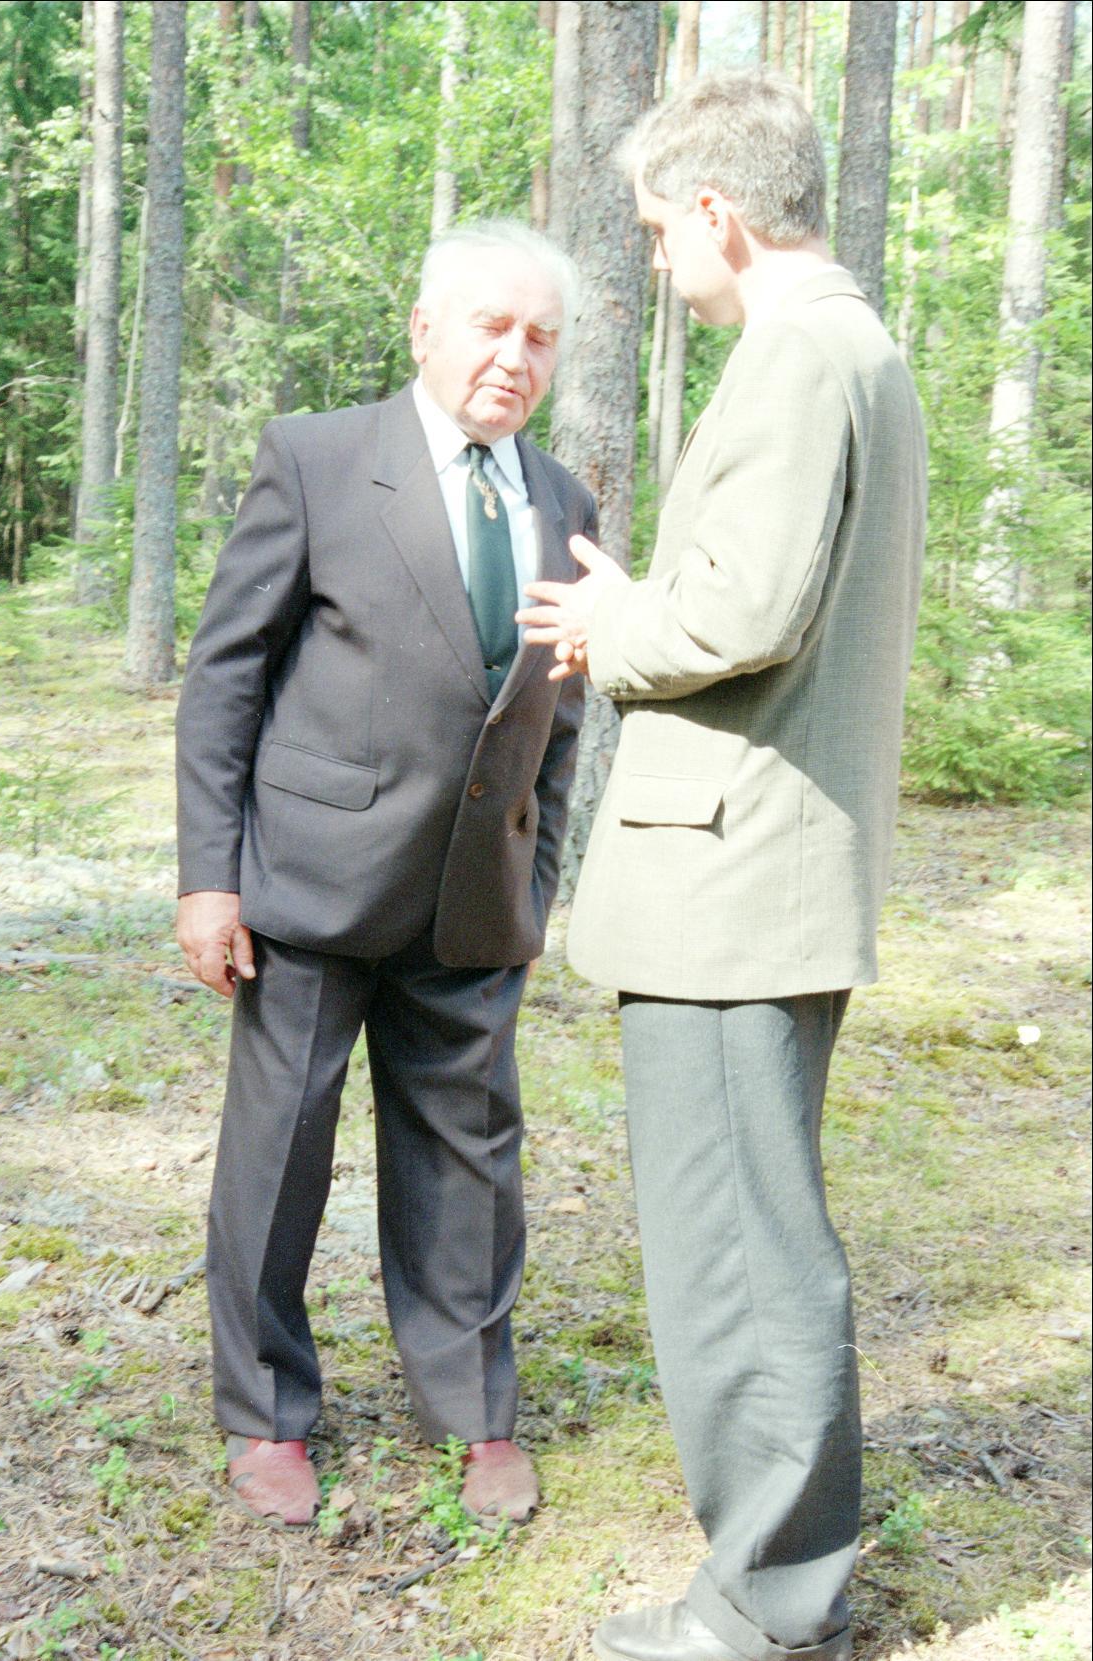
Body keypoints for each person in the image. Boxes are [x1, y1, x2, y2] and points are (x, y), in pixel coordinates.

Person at [518, 72, 926, 1661]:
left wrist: (608, 619)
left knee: (740, 1259)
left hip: (733, 882)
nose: (657, 260)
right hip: (759, 869)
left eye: (656, 231)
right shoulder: (851, 345)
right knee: (749, 1239)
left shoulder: (800, 354)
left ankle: (768, 1603)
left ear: (716, 212)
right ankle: (780, 1578)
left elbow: (744, 614)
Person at [175, 221, 595, 1530]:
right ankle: (267, 1412)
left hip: (474, 900)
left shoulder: (564, 503)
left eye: (539, 338)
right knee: (279, 1154)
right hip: (310, 887)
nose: (513, 357)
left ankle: (474, 1410)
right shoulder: (317, 459)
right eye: (490, 326)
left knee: (471, 1163)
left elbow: (559, 722)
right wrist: (208, 878)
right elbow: (227, 673)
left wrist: (538, 876)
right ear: (424, 329)